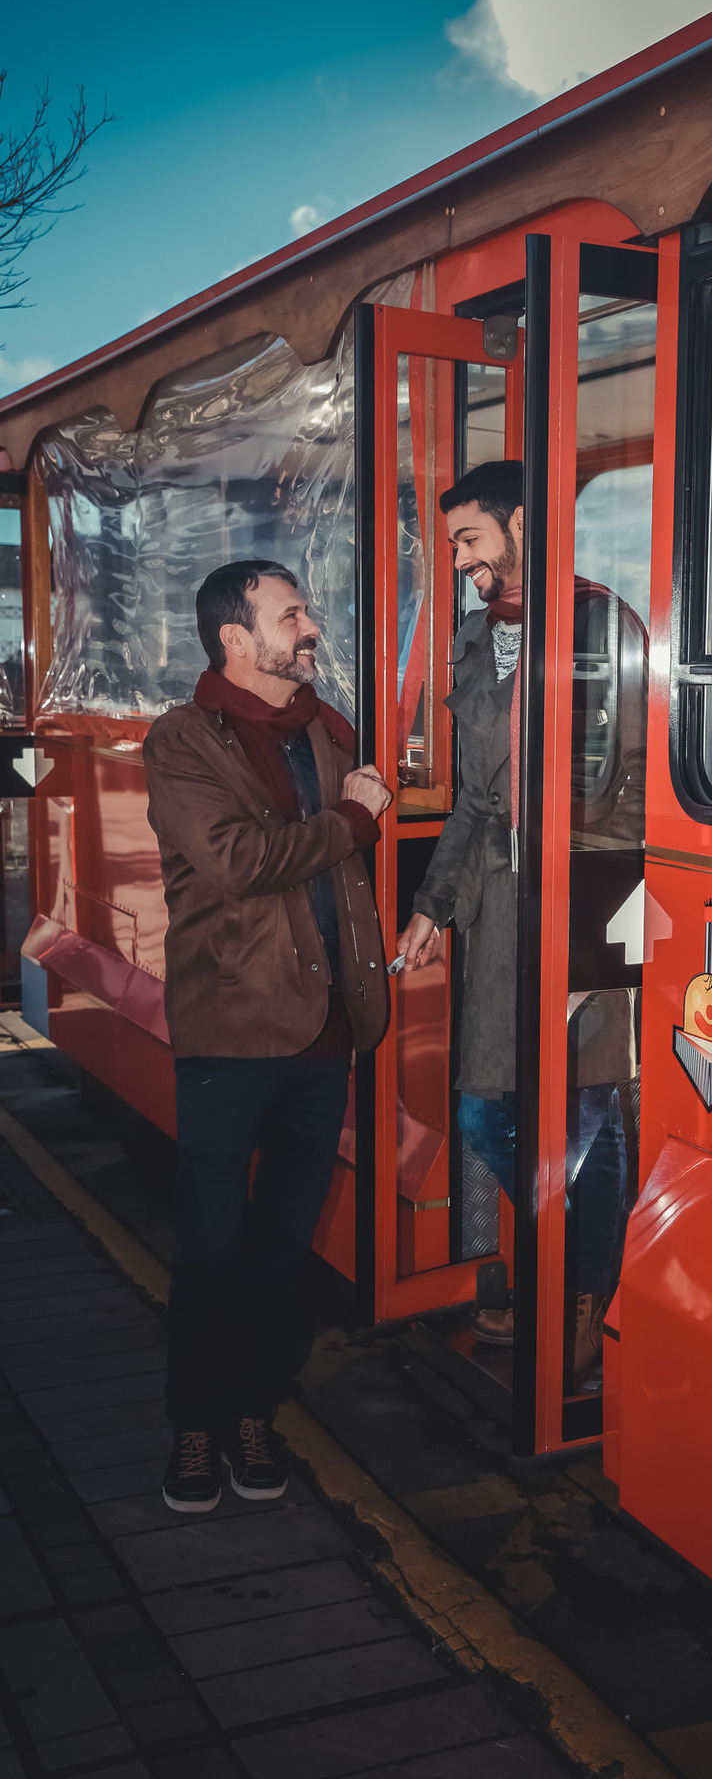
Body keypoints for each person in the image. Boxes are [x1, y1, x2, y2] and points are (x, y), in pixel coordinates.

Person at [143, 560, 393, 1513]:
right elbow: (241, 861)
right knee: (210, 1244)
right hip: (232, 1032)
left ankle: (254, 1411)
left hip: (324, 1031)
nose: (313, 627)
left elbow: (345, 851)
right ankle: (195, 1431)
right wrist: (351, 822)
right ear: (236, 640)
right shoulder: (182, 741)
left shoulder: (322, 733)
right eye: (293, 615)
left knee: (283, 1246)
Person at [395, 461, 646, 1389]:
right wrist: (431, 907)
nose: (461, 561)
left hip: (588, 892)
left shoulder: (602, 623)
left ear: (520, 524)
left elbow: (634, 794)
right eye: (455, 544)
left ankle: (584, 1292)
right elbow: (471, 801)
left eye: (470, 539)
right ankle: (564, 1262)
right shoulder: (474, 640)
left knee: (588, 1099)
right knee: (487, 1106)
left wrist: (588, 943)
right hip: (500, 907)